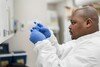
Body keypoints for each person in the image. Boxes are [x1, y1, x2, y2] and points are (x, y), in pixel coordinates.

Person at [29, 6, 100, 67]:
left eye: (73, 22)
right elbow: (60, 53)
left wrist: (42, 44)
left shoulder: (92, 47)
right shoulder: (81, 41)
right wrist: (49, 38)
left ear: (88, 23)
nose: (69, 26)